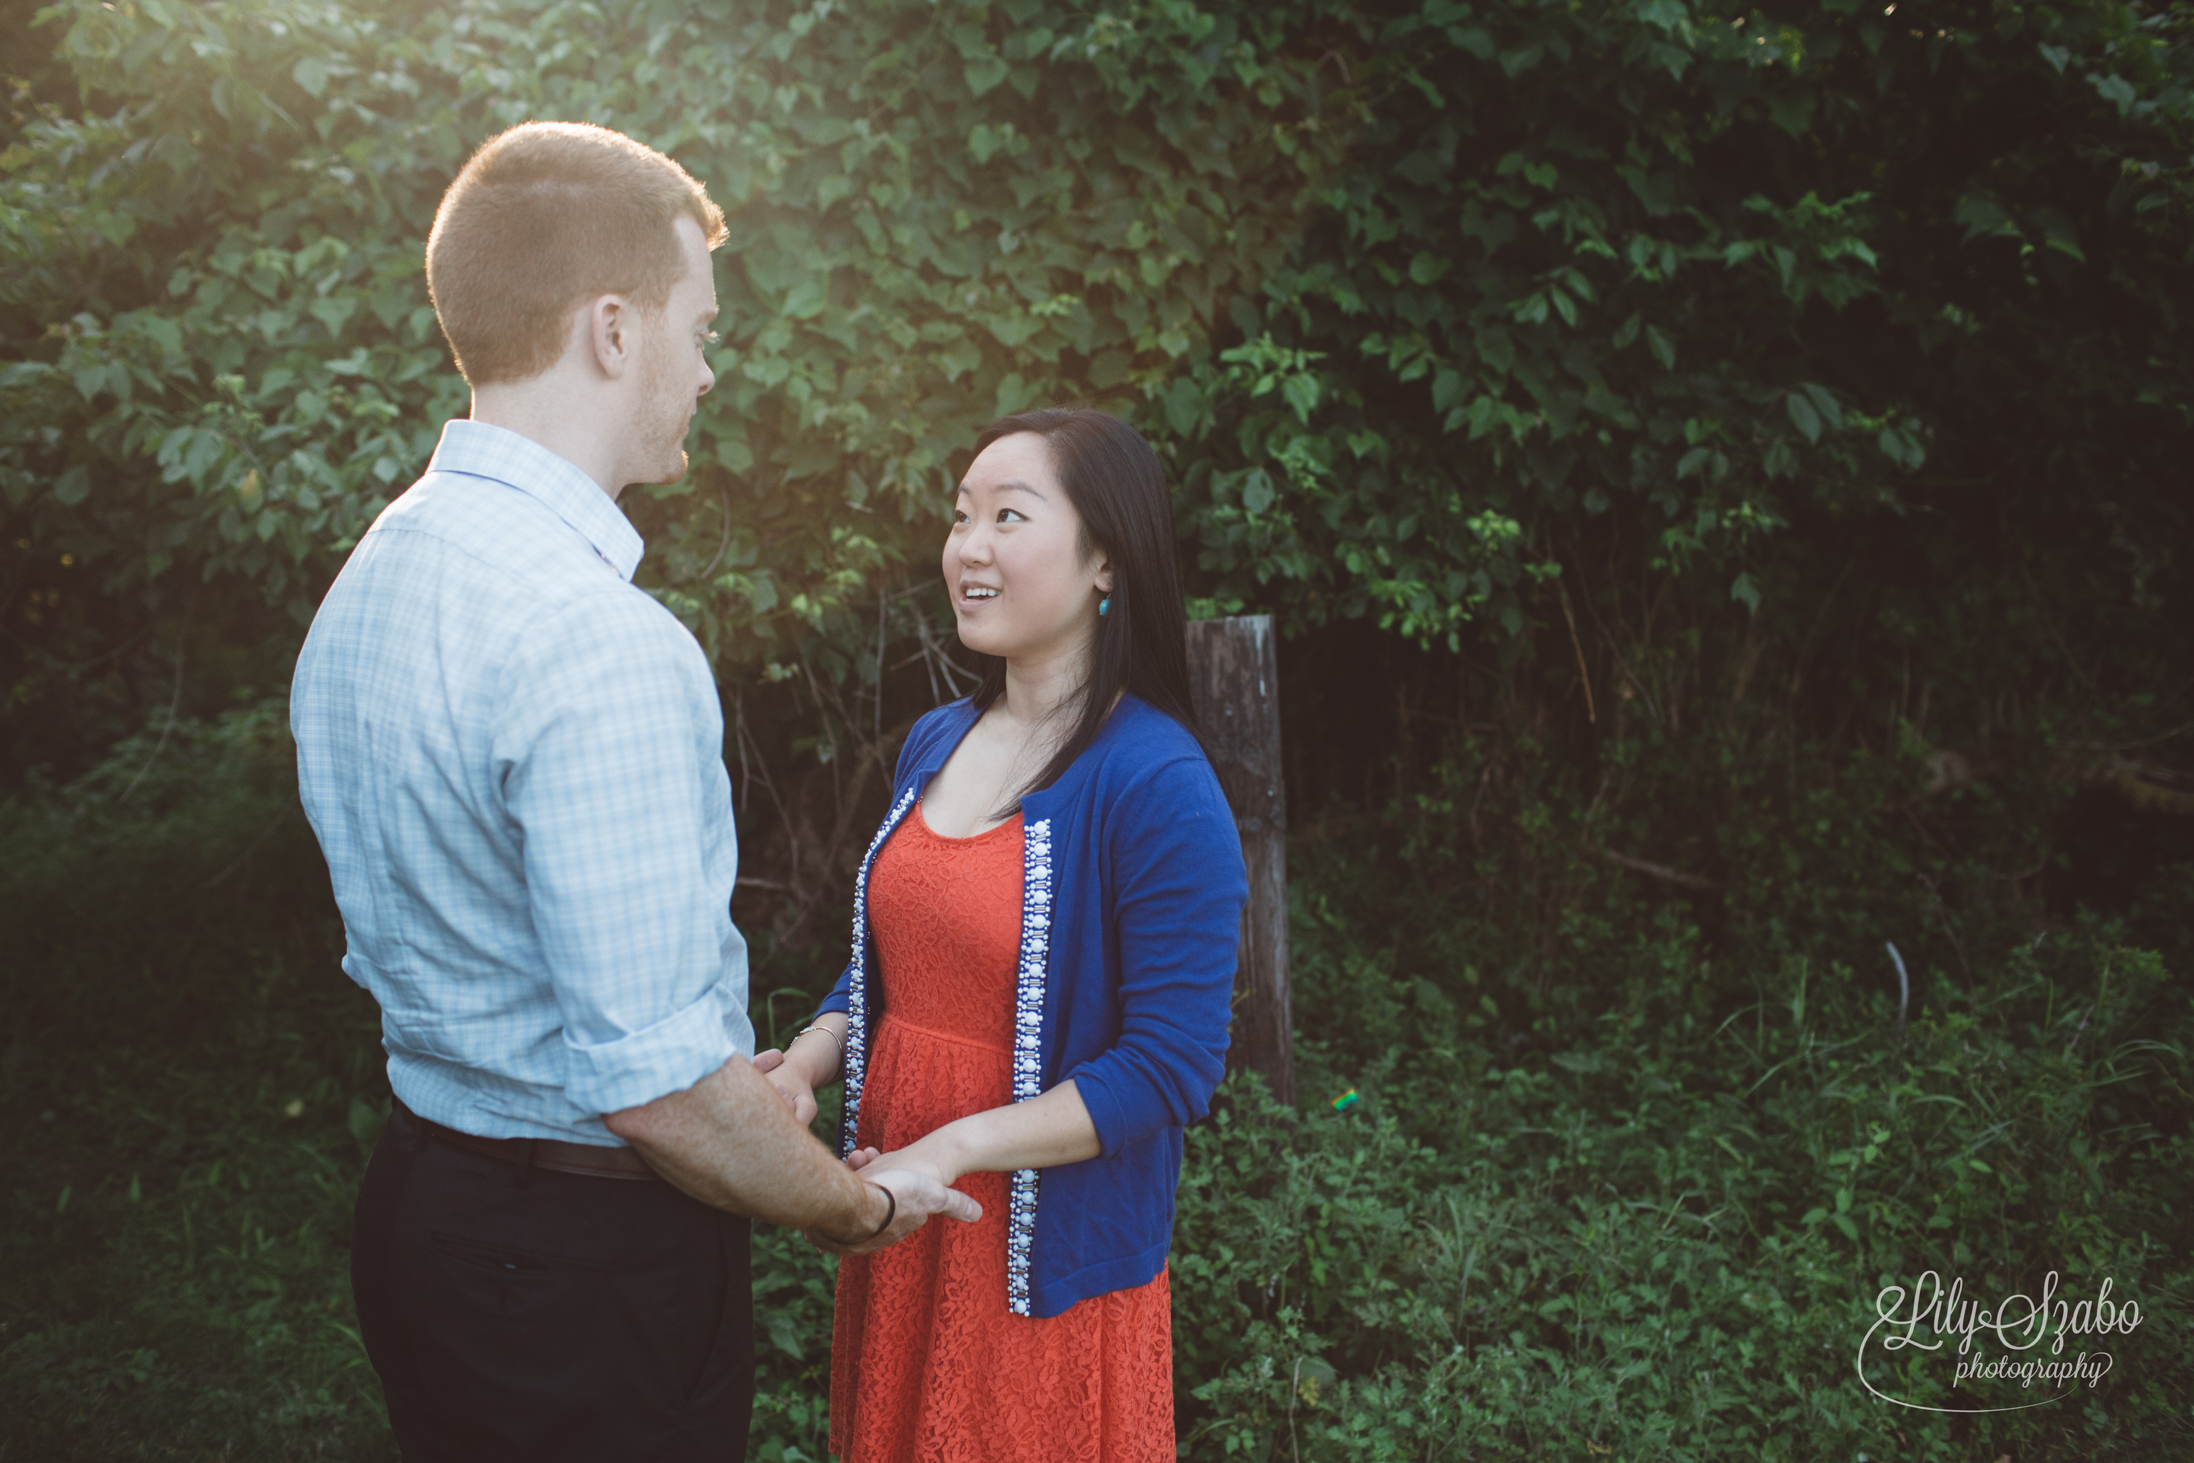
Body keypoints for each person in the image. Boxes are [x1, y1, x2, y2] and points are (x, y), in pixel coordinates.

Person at [289, 121, 976, 1463]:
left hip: (430, 1205)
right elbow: (653, 1087)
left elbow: (539, 985)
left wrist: (725, 1087)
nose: (709, 368)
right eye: (699, 323)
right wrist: (852, 1202)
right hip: (581, 1274)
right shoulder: (597, 639)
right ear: (613, 330)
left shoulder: (383, 561)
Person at [759, 408, 1250, 1461]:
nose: (967, 546)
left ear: (1106, 558)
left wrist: (958, 1147)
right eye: (959, 516)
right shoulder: (936, 739)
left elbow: (1171, 1066)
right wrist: (803, 1067)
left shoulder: (1156, 781)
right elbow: (892, 962)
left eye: (1008, 516)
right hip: (899, 1216)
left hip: (1027, 1255)